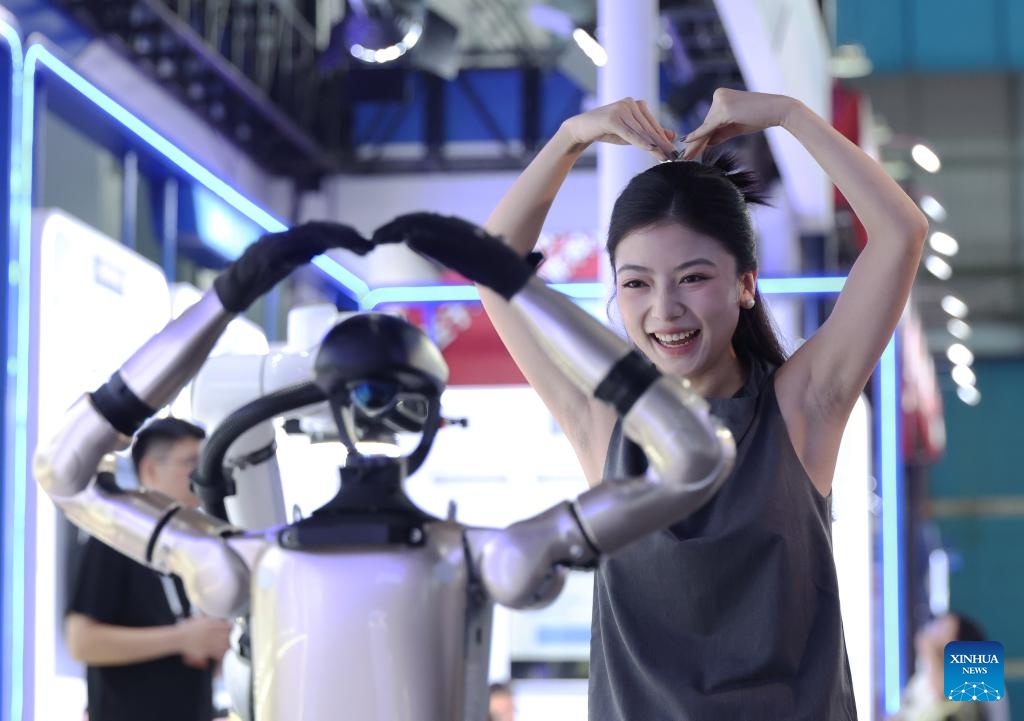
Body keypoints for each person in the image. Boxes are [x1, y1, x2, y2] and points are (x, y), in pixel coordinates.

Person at [472, 89, 929, 719]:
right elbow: (493, 266)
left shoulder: (798, 410)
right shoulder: (606, 419)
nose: (665, 310)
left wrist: (790, 116)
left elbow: (901, 232)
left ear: (745, 284)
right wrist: (572, 135)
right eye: (636, 283)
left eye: (692, 277)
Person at [66, 417, 233, 721]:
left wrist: (213, 645)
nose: (202, 474)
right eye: (191, 463)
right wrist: (181, 638)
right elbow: (82, 641)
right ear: (151, 470)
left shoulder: (193, 546)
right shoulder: (115, 539)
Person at [891, 612, 1005, 721]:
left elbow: (944, 697)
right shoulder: (924, 677)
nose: (930, 632)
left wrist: (930, 652)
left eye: (941, 628)